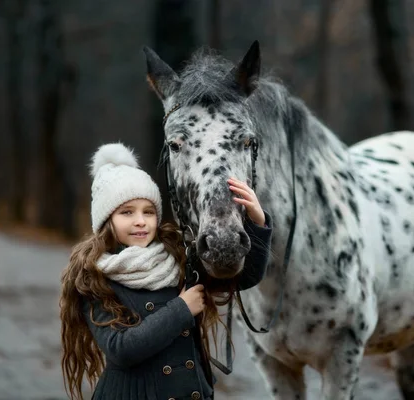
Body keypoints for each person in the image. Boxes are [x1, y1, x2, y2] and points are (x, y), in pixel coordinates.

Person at [59, 142, 273, 400]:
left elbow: (243, 277)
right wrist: (181, 309)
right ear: (107, 220)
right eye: (127, 212)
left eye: (148, 212)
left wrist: (258, 223)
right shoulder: (94, 277)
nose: (140, 220)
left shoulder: (176, 257)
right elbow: (121, 350)